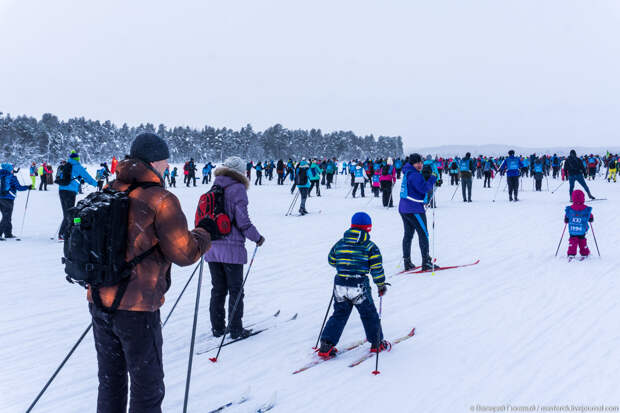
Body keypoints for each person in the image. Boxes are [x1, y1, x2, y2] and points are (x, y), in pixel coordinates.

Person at [88, 132, 213, 413]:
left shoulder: (107, 190)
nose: (168, 168)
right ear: (154, 162)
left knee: (110, 380)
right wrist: (204, 234)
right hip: (137, 307)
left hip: (99, 299)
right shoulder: (161, 199)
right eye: (165, 163)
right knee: (147, 386)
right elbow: (184, 253)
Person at [204, 156, 264, 339]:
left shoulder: (215, 185)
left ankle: (218, 328)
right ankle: (236, 329)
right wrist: (257, 237)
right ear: (240, 171)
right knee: (236, 289)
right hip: (231, 249)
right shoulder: (237, 188)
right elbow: (242, 221)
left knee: (218, 289)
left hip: (212, 246)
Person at [317, 212, 389, 359]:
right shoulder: (370, 246)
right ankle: (377, 343)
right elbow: (376, 268)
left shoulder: (340, 243)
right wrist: (381, 285)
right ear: (368, 228)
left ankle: (326, 345)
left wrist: (344, 263)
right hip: (359, 285)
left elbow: (331, 260)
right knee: (369, 314)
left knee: (339, 314)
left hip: (340, 285)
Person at [399, 154, 439, 271]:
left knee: (408, 235)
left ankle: (407, 262)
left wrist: (428, 181)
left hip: (404, 208)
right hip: (414, 209)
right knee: (423, 234)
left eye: (421, 162)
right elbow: (423, 188)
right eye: (417, 163)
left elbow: (418, 187)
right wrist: (432, 178)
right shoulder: (414, 174)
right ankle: (426, 262)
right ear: (412, 164)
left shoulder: (408, 172)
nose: (420, 165)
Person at [58, 152, 98, 240]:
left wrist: (80, 180)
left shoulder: (66, 165)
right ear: (77, 159)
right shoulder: (77, 166)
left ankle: (64, 232)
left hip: (61, 190)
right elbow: (87, 176)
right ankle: (63, 234)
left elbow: (72, 176)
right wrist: (95, 183)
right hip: (70, 191)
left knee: (67, 212)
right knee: (70, 212)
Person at [0, 163, 31, 239]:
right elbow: (19, 187)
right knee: (7, 216)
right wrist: (27, 187)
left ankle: (8, 233)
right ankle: (3, 233)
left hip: (0, 197)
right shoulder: (12, 177)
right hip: (8, 198)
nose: (12, 171)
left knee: (6, 216)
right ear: (9, 169)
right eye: (11, 169)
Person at [564, 189, 593, 259]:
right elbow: (590, 216)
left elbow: (567, 217)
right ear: (583, 198)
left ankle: (571, 253)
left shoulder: (570, 209)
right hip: (582, 229)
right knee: (582, 240)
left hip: (572, 229)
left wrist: (566, 219)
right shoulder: (586, 209)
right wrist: (590, 219)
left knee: (572, 240)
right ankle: (584, 252)